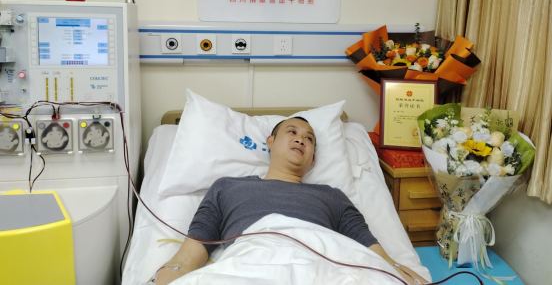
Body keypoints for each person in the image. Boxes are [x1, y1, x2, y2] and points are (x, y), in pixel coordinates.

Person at [149, 117, 428, 285]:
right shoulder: (227, 187)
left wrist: (406, 277)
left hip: (323, 264)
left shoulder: (332, 196)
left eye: (309, 139)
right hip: (252, 262)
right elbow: (187, 257)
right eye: (292, 132)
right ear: (270, 141)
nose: (301, 140)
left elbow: (376, 258)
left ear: (313, 158)